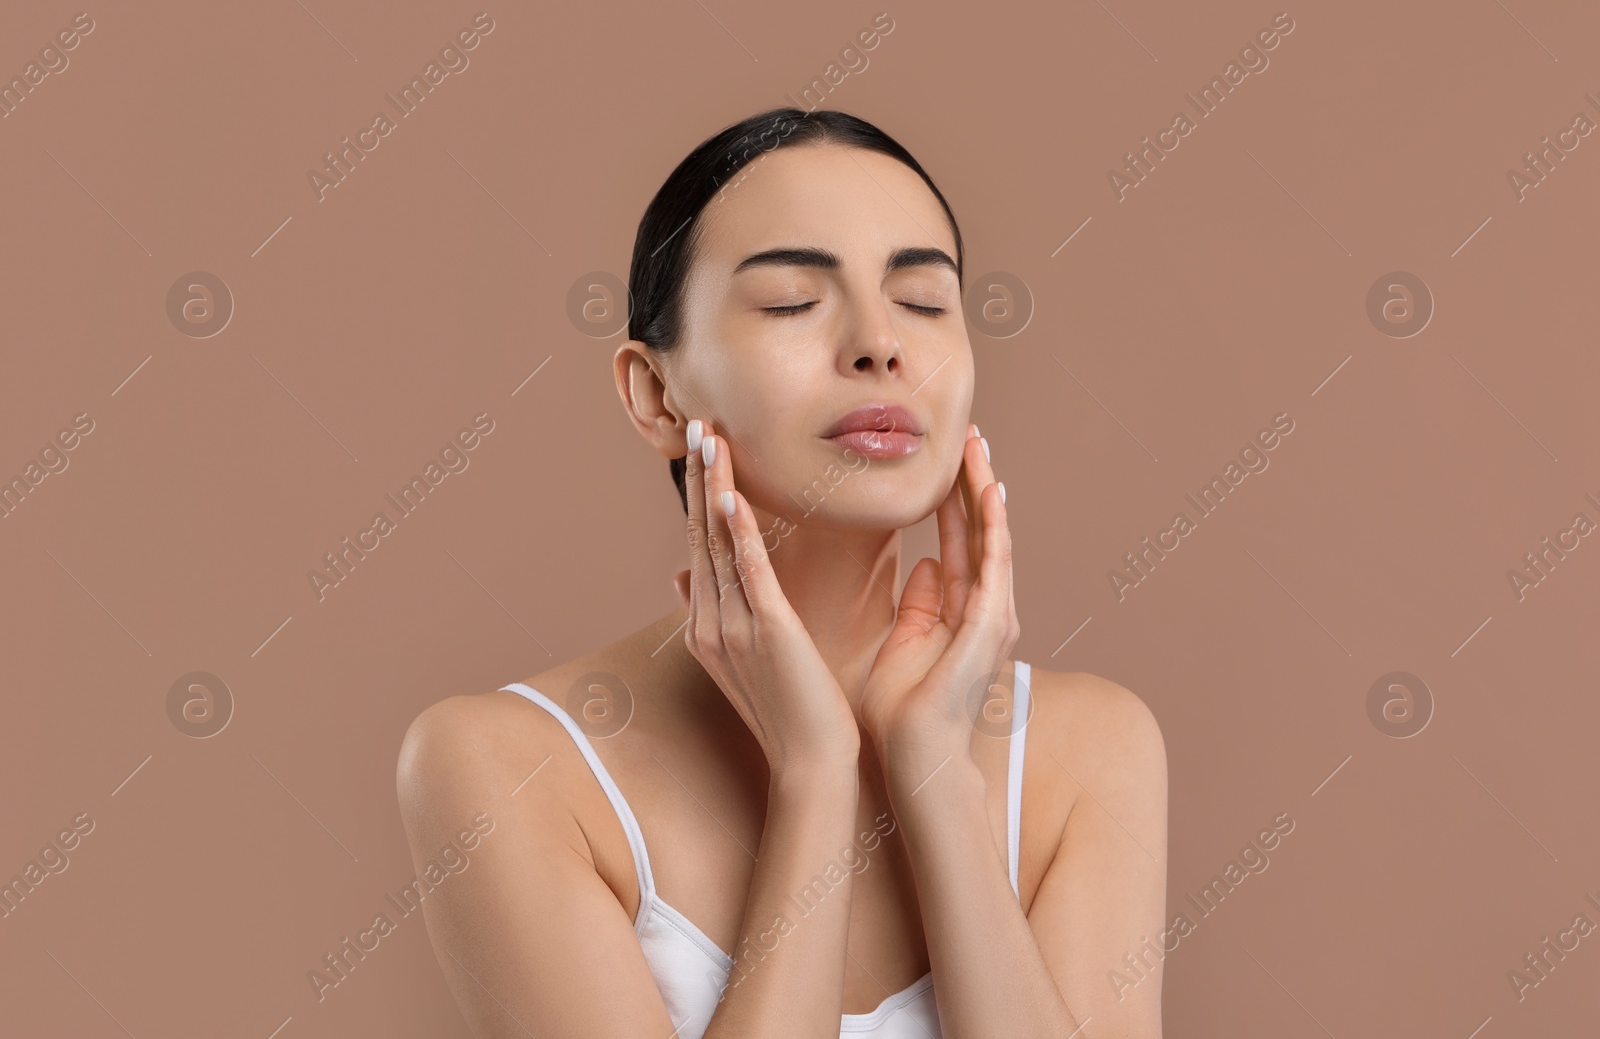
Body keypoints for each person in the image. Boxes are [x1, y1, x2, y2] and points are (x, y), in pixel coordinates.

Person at [396, 107, 1167, 1038]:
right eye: (793, 302)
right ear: (654, 391)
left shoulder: (1095, 748)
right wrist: (815, 771)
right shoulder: (501, 766)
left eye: (924, 301)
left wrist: (935, 778)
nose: (881, 345)